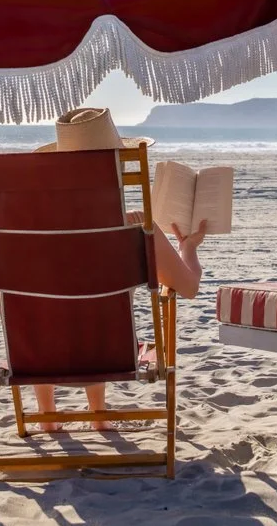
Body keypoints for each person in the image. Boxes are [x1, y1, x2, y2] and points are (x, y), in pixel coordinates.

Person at [31, 107, 207, 431]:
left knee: (55, 311)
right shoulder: (136, 226)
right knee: (94, 317)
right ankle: (97, 415)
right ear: (117, 166)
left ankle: (47, 418)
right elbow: (190, 287)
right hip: (109, 353)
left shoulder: (30, 232)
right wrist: (188, 248)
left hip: (37, 356)